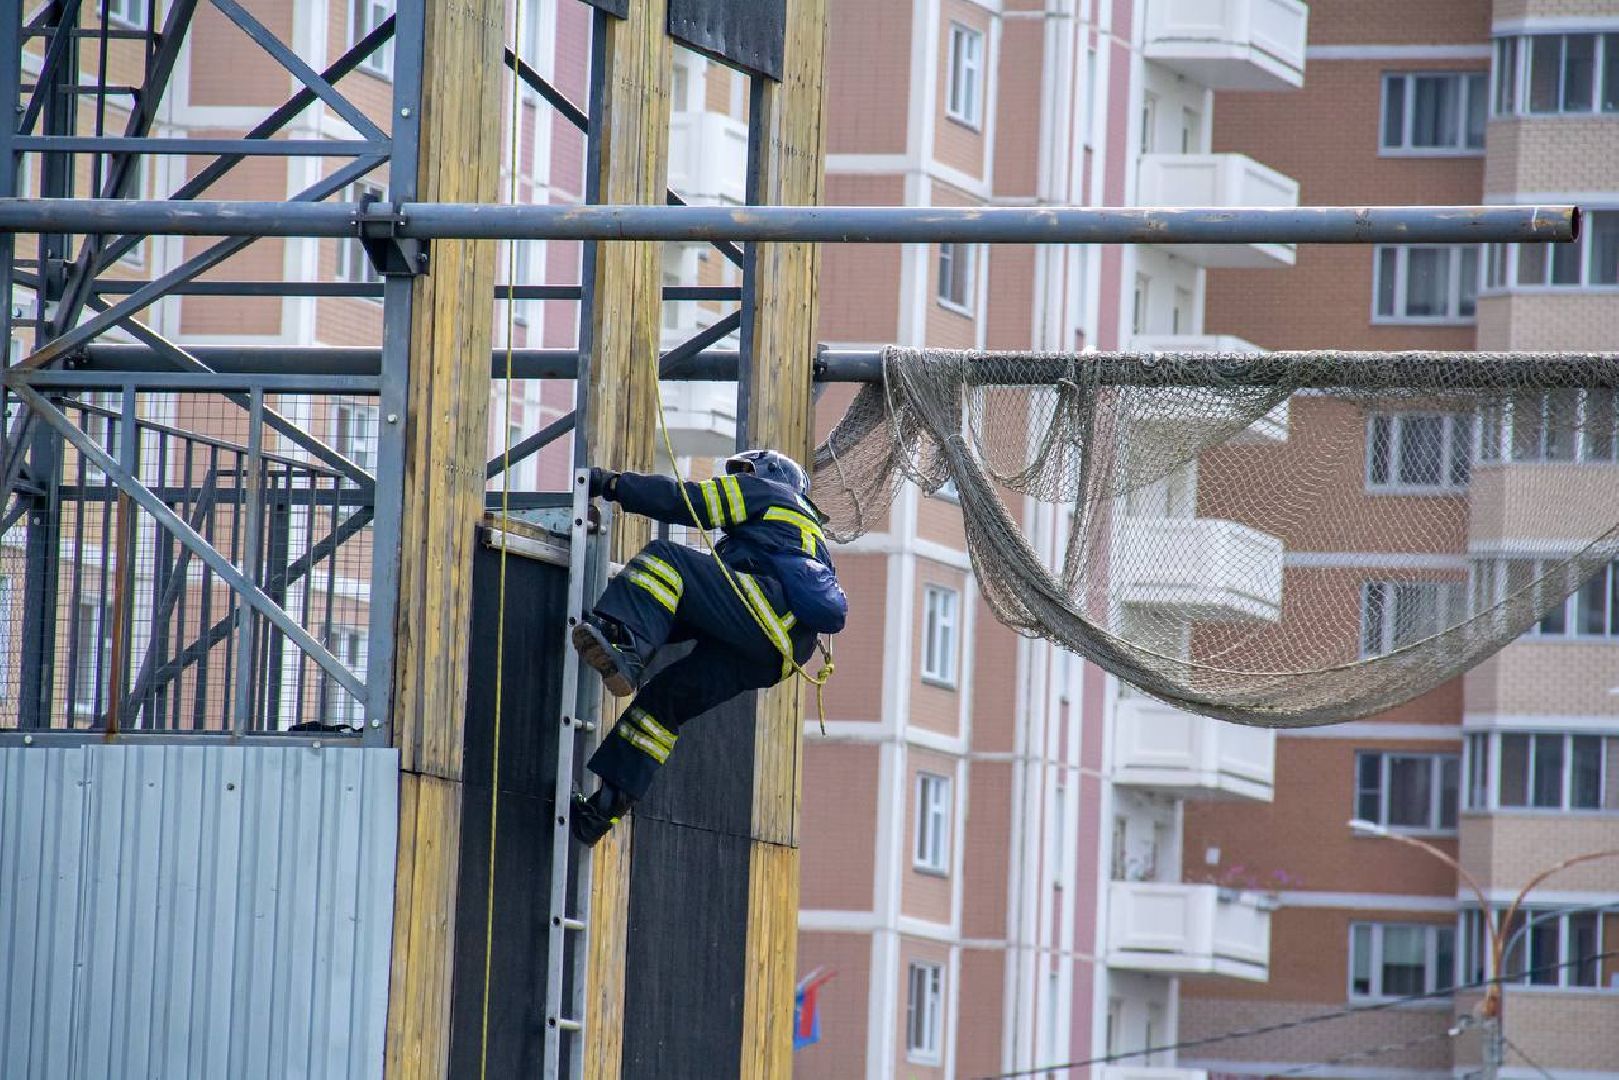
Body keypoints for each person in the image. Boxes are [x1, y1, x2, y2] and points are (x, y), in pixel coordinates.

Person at [569, 449, 847, 846]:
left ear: (767, 475)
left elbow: (691, 502)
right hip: (774, 654)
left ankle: (624, 646)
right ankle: (600, 812)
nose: (736, 480)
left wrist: (614, 485)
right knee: (665, 702)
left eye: (742, 474)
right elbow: (697, 605)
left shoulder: (770, 494)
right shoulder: (805, 537)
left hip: (764, 611)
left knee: (666, 560)